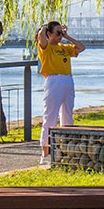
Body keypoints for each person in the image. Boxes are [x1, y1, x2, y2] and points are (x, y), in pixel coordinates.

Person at [36, 20, 85, 164]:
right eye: (57, 33)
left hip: (67, 81)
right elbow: (41, 37)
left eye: (61, 33)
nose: (60, 36)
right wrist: (45, 27)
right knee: (50, 117)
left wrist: (67, 36)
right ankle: (45, 154)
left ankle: (66, 149)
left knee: (67, 116)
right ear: (49, 34)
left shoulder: (64, 47)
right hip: (54, 81)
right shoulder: (46, 48)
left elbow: (81, 47)